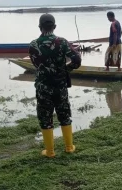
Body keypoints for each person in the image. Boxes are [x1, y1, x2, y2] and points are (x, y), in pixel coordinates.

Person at [29, 13, 82, 157]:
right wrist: (66, 69)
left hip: (43, 86)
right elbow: (77, 60)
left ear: (40, 27)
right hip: (60, 85)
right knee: (64, 114)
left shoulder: (33, 45)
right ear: (54, 26)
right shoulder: (62, 42)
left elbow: (36, 64)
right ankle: (69, 147)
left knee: (45, 116)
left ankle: (50, 151)